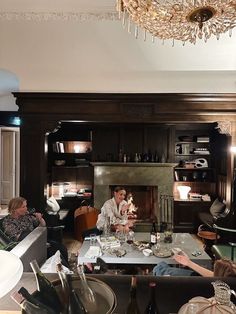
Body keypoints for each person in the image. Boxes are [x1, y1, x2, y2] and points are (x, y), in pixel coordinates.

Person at [2, 196, 69, 267]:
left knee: (61, 248)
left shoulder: (26, 216)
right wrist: (41, 243)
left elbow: (42, 227)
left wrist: (40, 219)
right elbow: (22, 237)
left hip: (36, 241)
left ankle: (66, 269)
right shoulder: (8, 222)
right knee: (53, 251)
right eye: (23, 207)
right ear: (15, 209)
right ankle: (60, 270)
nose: (26, 208)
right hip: (24, 247)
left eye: (26, 206)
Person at [153, 251, 236, 277]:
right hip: (212, 280)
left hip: (204, 286)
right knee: (162, 266)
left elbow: (218, 279)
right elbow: (215, 276)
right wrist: (189, 263)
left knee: (160, 268)